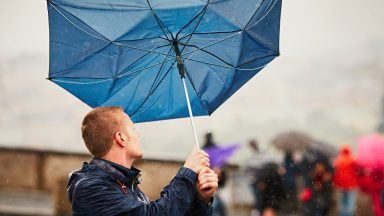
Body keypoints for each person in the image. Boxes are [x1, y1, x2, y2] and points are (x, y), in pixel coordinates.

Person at [67, 107, 218, 216]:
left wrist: (201, 199)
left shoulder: (124, 185)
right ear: (121, 138)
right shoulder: (91, 188)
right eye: (133, 129)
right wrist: (188, 172)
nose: (137, 134)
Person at [333, 145, 358, 216]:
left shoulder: (338, 160)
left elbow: (335, 173)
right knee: (350, 203)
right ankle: (349, 214)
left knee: (343, 203)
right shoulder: (352, 159)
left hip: (341, 185)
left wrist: (336, 183)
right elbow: (358, 169)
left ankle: (342, 214)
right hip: (351, 185)